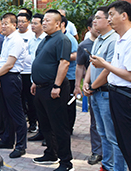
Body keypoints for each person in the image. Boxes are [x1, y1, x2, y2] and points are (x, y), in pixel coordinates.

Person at [90, 0, 131, 171]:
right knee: (124, 144)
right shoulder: (121, 38)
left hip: (129, 97)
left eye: (111, 15)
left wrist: (105, 65)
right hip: (118, 95)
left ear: (124, 16)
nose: (109, 19)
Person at [30, 9, 73, 171]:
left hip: (54, 88)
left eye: (48, 20)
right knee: (45, 124)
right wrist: (35, 82)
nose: (44, 22)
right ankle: (51, 152)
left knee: (59, 125)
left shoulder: (62, 39)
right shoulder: (46, 39)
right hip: (41, 87)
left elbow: (64, 63)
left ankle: (66, 162)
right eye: (44, 20)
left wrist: (57, 85)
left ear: (58, 24)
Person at [85, 7, 126, 171]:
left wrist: (93, 86)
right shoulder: (98, 39)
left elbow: (108, 69)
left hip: (106, 93)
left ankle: (118, 167)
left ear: (108, 21)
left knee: (112, 135)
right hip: (95, 92)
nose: (94, 21)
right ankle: (107, 166)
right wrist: (86, 83)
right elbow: (91, 64)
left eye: (98, 18)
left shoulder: (114, 40)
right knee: (102, 133)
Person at [0, 13, 29, 159]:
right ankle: (7, 140)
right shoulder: (7, 39)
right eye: (3, 23)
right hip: (2, 77)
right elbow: (1, 60)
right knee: (4, 111)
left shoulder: (16, 40)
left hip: (11, 78)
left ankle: (20, 146)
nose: (3, 26)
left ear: (14, 25)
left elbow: (9, 63)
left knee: (16, 113)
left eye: (6, 23)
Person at [74, 16, 103, 166]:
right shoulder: (84, 45)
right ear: (89, 28)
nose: (97, 27)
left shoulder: (110, 41)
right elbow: (80, 67)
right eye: (94, 24)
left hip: (109, 88)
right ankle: (97, 151)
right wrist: (78, 85)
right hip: (92, 88)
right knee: (95, 121)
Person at [17, 13, 37, 133]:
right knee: (20, 98)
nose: (20, 24)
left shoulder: (32, 35)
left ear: (28, 22)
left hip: (29, 71)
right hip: (18, 71)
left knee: (31, 99)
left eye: (23, 21)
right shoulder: (14, 35)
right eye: (18, 21)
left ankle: (33, 122)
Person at [27, 13, 46, 141]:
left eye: (35, 23)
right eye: (32, 23)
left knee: (47, 111)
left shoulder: (46, 39)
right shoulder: (31, 39)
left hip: (45, 80)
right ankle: (41, 132)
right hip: (34, 78)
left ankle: (48, 136)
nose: (32, 26)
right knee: (37, 108)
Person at [60, 16, 78, 134]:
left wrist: (62, 57)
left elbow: (75, 55)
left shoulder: (70, 38)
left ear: (61, 24)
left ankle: (69, 128)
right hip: (58, 76)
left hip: (69, 76)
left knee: (69, 103)